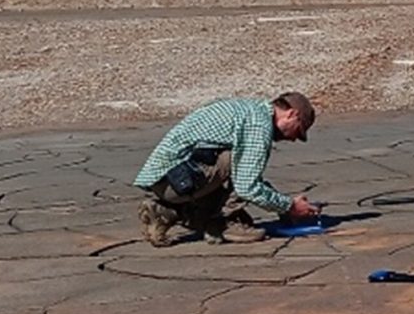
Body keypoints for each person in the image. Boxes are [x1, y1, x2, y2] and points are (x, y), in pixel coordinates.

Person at [131, 92, 321, 245]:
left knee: (240, 162)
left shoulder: (249, 110)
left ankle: (165, 211)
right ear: (292, 114)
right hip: (178, 180)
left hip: (166, 178)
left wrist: (283, 207)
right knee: (235, 161)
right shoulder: (258, 124)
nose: (294, 138)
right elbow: (247, 186)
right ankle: (224, 223)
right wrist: (290, 205)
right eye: (299, 130)